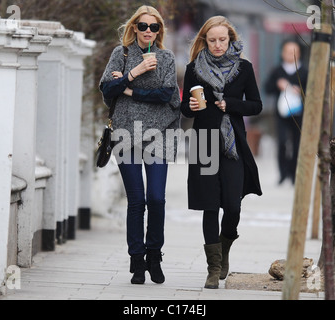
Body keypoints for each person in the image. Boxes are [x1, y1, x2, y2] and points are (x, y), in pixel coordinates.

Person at [99, 5, 181, 285]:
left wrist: (129, 89)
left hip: (160, 135)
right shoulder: (120, 55)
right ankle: (137, 261)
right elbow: (106, 91)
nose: (148, 31)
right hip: (125, 134)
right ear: (134, 27)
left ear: (160, 30)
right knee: (137, 201)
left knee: (157, 198)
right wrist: (133, 72)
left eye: (154, 27)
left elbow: (167, 95)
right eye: (143, 26)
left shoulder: (166, 57)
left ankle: (154, 255)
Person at [180, 16, 263, 289]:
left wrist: (232, 105)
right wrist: (190, 106)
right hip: (204, 141)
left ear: (231, 40)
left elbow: (256, 105)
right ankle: (213, 268)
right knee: (209, 205)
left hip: (232, 144)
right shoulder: (194, 68)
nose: (217, 45)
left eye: (222, 40)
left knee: (233, 205)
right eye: (212, 40)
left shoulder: (244, 68)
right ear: (205, 40)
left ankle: (225, 249)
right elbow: (183, 107)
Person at [265, 40, 308, 185]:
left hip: (299, 114)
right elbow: (267, 88)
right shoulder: (277, 71)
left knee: (297, 144)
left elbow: (311, 94)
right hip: (281, 114)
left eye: (294, 51)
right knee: (282, 142)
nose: (290, 54)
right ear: (282, 53)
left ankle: (293, 173)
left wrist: (299, 91)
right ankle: (283, 173)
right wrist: (278, 85)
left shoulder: (305, 72)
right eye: (288, 51)